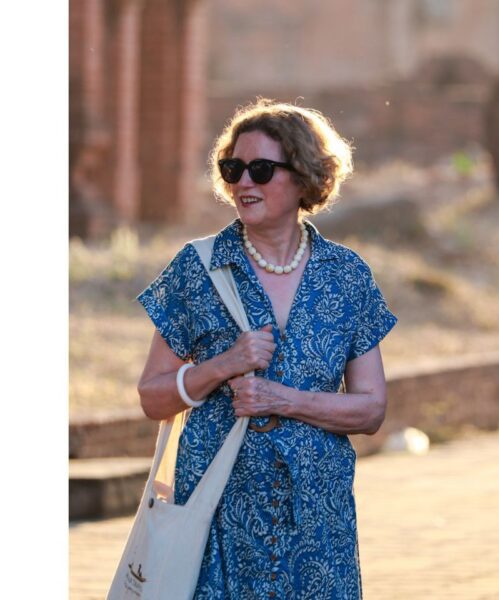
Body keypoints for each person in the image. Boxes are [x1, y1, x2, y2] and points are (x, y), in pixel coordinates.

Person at [135, 100, 396, 597]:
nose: (243, 183)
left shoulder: (347, 276)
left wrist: (281, 401)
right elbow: (152, 397)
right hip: (216, 516)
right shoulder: (198, 268)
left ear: (303, 176)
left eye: (260, 169)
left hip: (317, 519)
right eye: (232, 169)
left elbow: (371, 408)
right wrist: (223, 365)